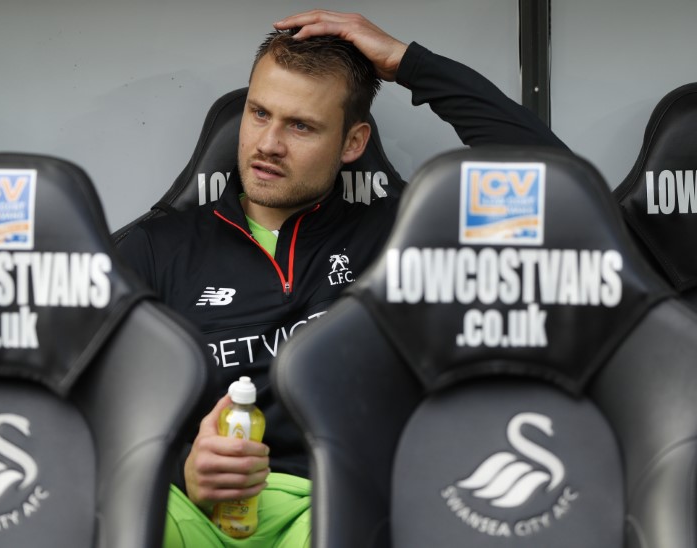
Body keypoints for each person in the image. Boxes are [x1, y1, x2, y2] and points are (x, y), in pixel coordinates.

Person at [117, 9, 567, 547]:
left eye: (301, 125)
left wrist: (409, 63)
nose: (267, 144)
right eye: (259, 114)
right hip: (195, 512)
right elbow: (94, 410)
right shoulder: (153, 248)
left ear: (353, 143)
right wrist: (180, 470)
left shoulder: (402, 236)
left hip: (341, 510)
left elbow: (556, 190)